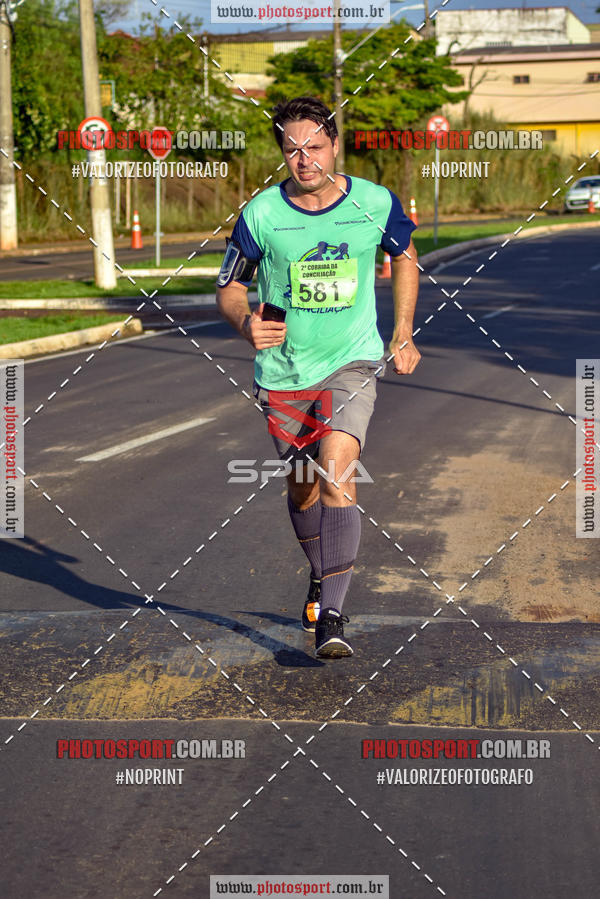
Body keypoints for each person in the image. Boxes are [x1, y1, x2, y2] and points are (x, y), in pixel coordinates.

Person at [216, 96, 421, 659]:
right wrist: (244, 321)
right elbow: (229, 286)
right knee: (303, 483)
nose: (304, 159)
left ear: (335, 144)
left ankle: (332, 617)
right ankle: (321, 572)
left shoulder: (374, 202)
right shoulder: (261, 214)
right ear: (282, 154)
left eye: (314, 146)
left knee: (337, 468)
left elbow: (405, 254)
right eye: (291, 149)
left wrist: (402, 330)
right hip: (284, 372)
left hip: (351, 360)